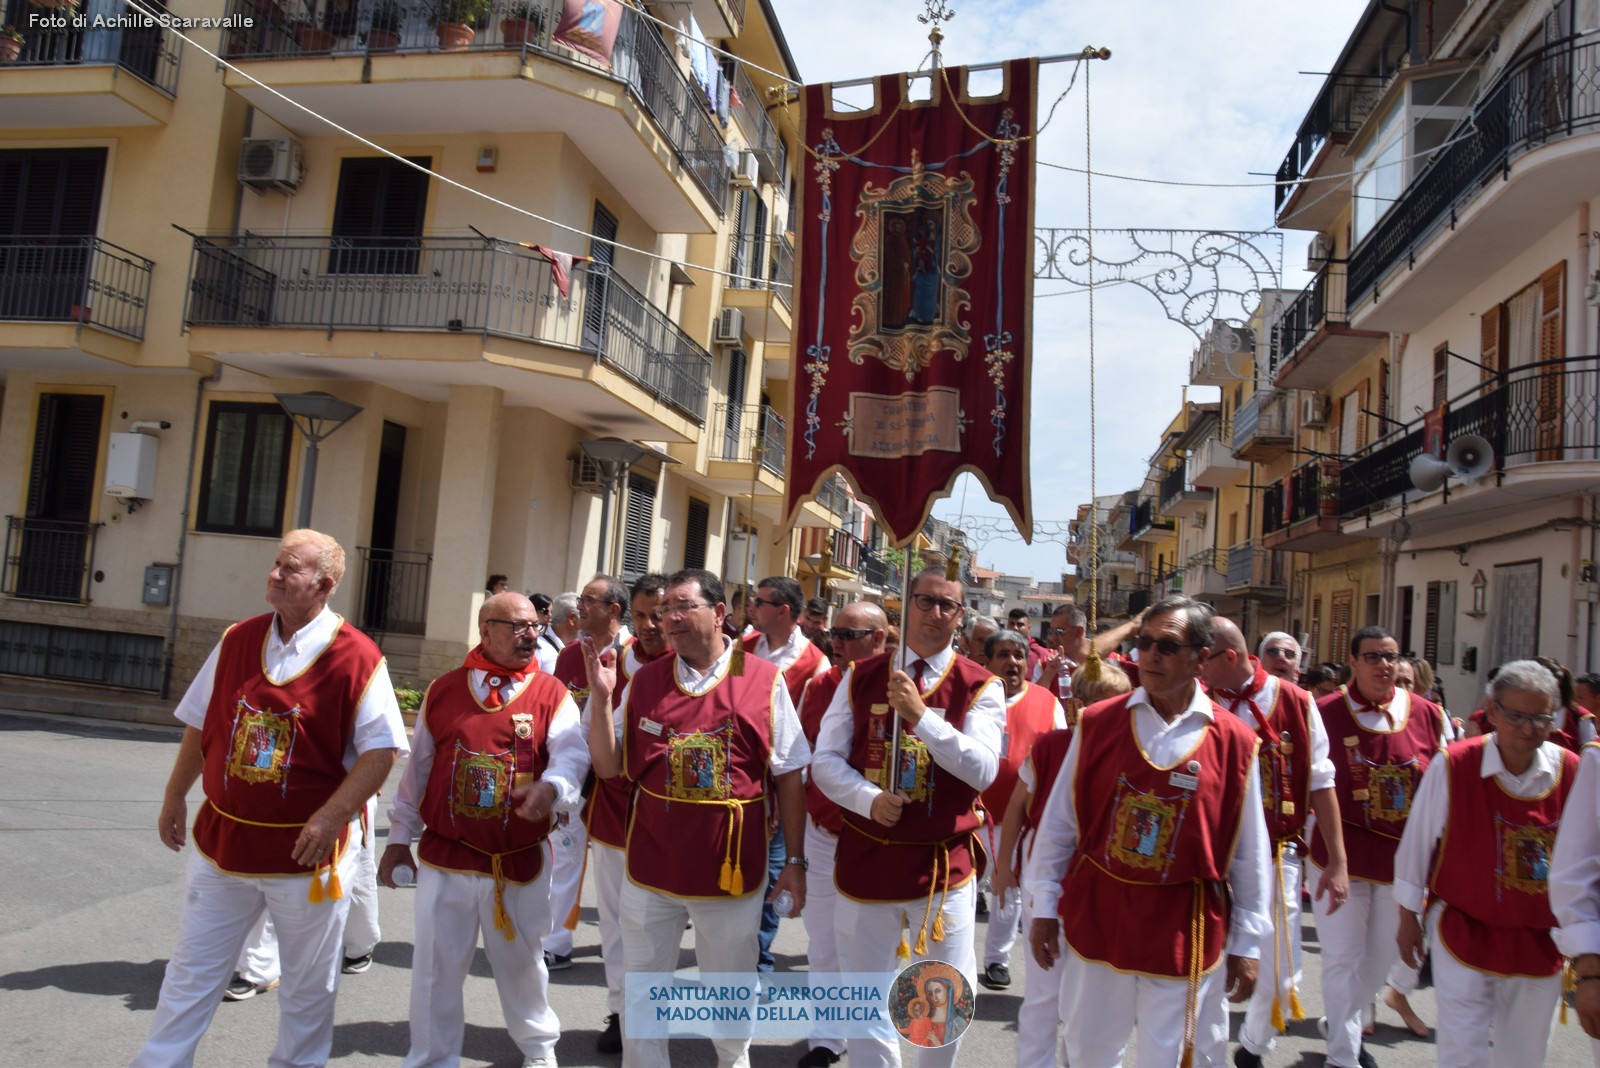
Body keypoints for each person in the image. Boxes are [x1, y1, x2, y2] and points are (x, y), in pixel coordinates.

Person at [132, 530, 407, 1068]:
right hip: (223, 845)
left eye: (291, 568)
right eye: (276, 563)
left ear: (323, 585)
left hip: (306, 856)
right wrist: (173, 796)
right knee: (191, 970)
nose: (276, 574)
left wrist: (331, 818)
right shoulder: (238, 638)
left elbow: (381, 752)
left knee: (307, 987)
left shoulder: (358, 656)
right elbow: (199, 723)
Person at [1025, 595, 1271, 1068]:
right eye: (1145, 643)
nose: (1151, 655)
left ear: (1202, 657)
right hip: (1101, 914)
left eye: (1167, 645)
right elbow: (1059, 825)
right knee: (1088, 1050)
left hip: (1186, 925)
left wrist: (1248, 943)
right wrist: (1043, 906)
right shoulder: (1097, 724)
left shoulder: (1237, 743)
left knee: (1183, 1056)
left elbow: (1249, 855)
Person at [584, 568, 810, 1068]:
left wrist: (794, 860)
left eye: (683, 606)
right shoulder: (644, 680)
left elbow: (790, 774)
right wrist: (600, 701)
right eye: (665, 609)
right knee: (642, 991)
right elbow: (606, 765)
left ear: (720, 613)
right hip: (651, 869)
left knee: (729, 990)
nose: (670, 618)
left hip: (730, 873)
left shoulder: (764, 680)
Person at [379, 592, 586, 1068]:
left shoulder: (552, 693)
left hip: (517, 859)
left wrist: (552, 790)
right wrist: (396, 841)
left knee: (522, 968)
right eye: (517, 626)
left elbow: (572, 756)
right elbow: (419, 773)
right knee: (434, 969)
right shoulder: (445, 689)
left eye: (535, 625)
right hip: (445, 857)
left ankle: (539, 1053)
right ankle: (431, 1058)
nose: (530, 635)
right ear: (485, 629)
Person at [813, 567, 1005, 1068]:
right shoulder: (860, 675)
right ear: (906, 604)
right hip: (867, 855)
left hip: (940, 867)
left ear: (961, 617)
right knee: (863, 993)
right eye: (925, 601)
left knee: (939, 996)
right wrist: (865, 798)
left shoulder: (982, 685)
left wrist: (923, 717)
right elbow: (825, 762)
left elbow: (984, 770)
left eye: (948, 606)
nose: (935, 613)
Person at [1395, 660, 1577, 1068]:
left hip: (1539, 942)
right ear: (1493, 712)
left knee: (1525, 1056)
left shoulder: (1572, 772)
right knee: (1463, 1051)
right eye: (1516, 716)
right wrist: (1408, 917)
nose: (1528, 728)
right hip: (1465, 930)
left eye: (1540, 718)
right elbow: (1417, 844)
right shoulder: (1454, 764)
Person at [1203, 616, 1348, 1068]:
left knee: (1281, 975)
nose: (1195, 667)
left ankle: (1253, 1044)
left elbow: (1323, 784)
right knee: (1205, 968)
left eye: (1202, 658)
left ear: (1229, 657)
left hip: (1277, 856)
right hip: (1211, 858)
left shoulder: (1298, 702)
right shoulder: (1198, 699)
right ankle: (1204, 1051)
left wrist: (1337, 862)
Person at [1309, 626, 1447, 1068]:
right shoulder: (1324, 710)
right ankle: (1343, 1057)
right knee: (1343, 957)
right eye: (1372, 657)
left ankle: (1341, 1020)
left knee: (1382, 957)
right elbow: (1312, 782)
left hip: (1401, 862)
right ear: (1352, 662)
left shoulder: (1428, 714)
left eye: (1390, 656)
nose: (1383, 665)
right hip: (1338, 853)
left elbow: (1442, 790)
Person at [995, 659, 1131, 1068]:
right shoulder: (1053, 745)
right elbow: (1017, 807)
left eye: (1103, 701)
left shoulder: (1132, 751)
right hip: (1048, 871)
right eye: (1085, 700)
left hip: (1104, 877)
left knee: (1094, 994)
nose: (1089, 710)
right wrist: (1004, 866)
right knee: (1044, 990)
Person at [794, 600, 889, 1068]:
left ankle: (868, 1036)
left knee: (866, 947)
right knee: (823, 939)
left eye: (849, 635)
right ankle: (828, 1036)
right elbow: (801, 756)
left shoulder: (900, 687)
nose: (836, 642)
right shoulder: (820, 685)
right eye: (835, 633)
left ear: (879, 639)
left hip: (876, 839)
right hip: (823, 830)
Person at [584, 572, 670, 1054]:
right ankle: (621, 1011)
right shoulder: (614, 660)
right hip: (618, 813)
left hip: (677, 818)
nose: (651, 625)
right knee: (616, 924)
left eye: (659, 614)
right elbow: (588, 733)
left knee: (662, 925)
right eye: (640, 616)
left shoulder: (695, 662)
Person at [745, 575, 831, 972]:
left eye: (759, 602)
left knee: (773, 871)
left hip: (783, 785)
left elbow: (816, 730)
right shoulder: (740, 648)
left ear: (782, 610)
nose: (751, 607)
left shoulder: (816, 662)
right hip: (742, 778)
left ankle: (758, 959)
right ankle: (737, 952)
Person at [544, 575, 630, 972]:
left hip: (619, 779)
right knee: (564, 855)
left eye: (590, 600)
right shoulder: (568, 656)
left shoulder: (633, 656)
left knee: (622, 869)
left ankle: (630, 942)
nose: (580, 606)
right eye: (580, 599)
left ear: (614, 610)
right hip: (576, 776)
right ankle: (556, 940)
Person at [977, 629, 1066, 992]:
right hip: (971, 816)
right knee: (960, 894)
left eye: (1018, 655)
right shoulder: (974, 697)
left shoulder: (1047, 701)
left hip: (1017, 820)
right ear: (987, 662)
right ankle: (955, 962)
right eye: (1003, 655)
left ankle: (997, 960)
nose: (1013, 662)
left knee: (1007, 892)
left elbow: (1061, 758)